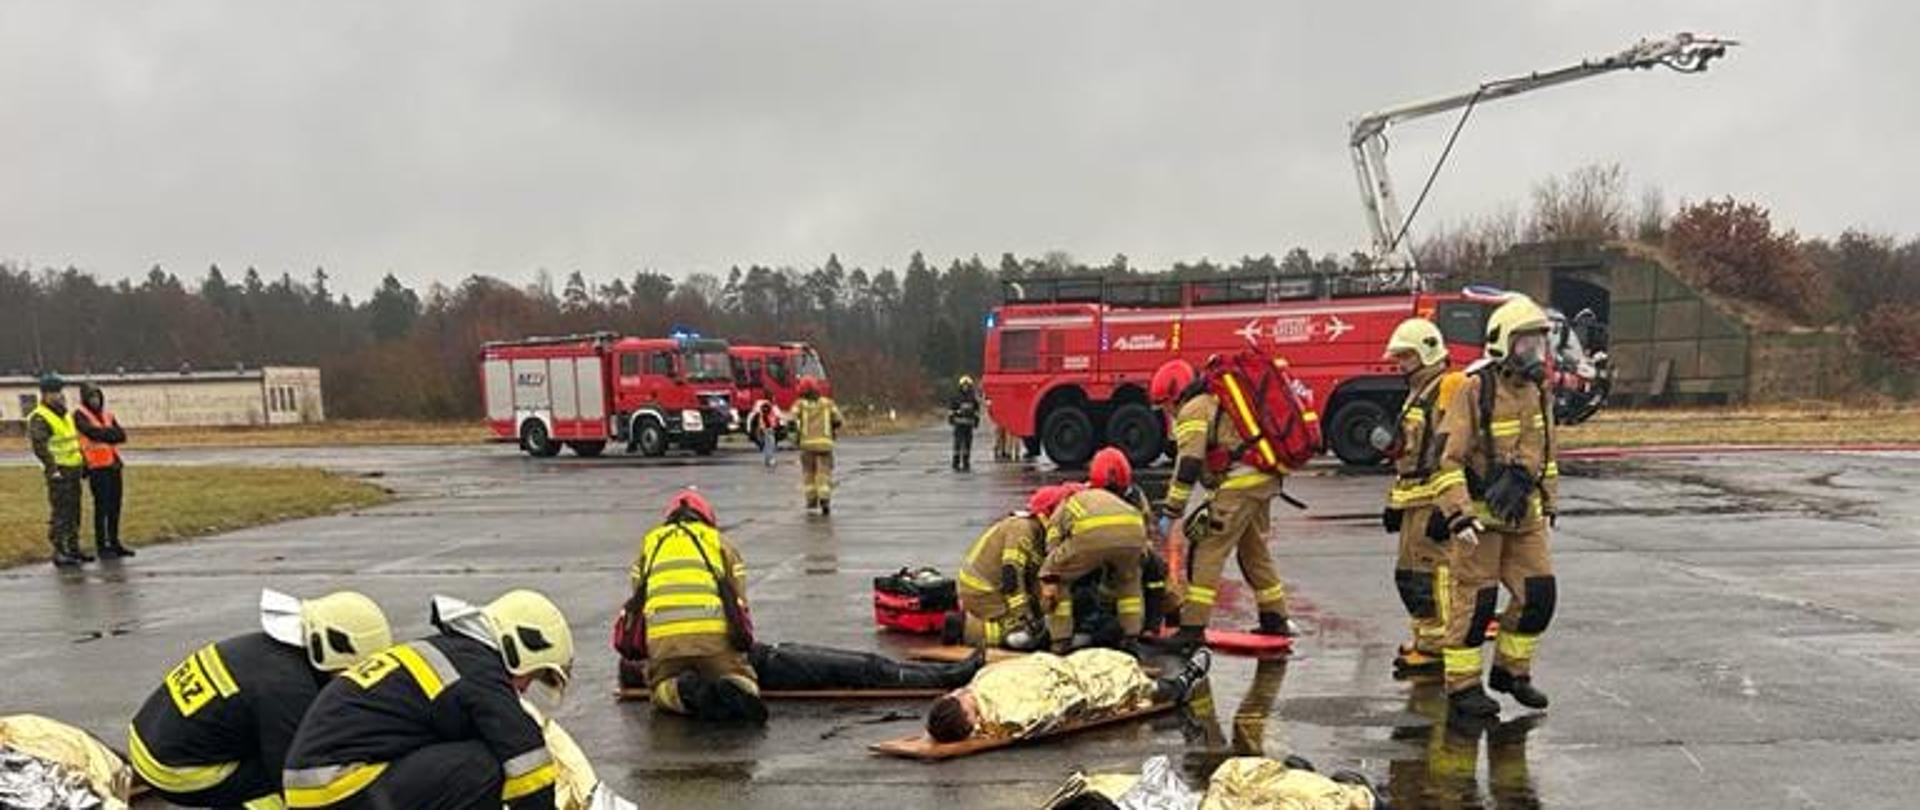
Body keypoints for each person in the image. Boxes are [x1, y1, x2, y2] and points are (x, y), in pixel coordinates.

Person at [618, 489, 981, 719]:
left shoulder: (648, 547)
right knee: (858, 668)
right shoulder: (715, 543)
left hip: (673, 663)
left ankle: (690, 694)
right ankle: (942, 678)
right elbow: (740, 612)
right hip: (739, 657)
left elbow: (638, 613)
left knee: (665, 691)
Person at [281, 589, 574, 810]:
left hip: (321, 789)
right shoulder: (478, 670)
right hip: (337, 788)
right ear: (519, 646)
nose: (524, 688)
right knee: (482, 763)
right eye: (533, 675)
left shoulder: (452, 654)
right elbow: (526, 760)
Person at [128, 589, 391, 809]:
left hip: (147, 734)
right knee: (288, 785)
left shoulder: (268, 649)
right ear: (335, 649)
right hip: (177, 773)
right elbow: (294, 775)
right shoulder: (287, 688)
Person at [1429, 296, 1560, 721]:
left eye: (1539, 345)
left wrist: (1550, 501)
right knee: (1476, 603)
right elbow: (1446, 459)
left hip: (1525, 515)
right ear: (1503, 344)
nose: (1535, 355)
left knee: (1539, 595)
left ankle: (1511, 672)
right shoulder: (1474, 389)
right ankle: (1463, 686)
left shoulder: (1539, 390)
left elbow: (1548, 451)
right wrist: (1458, 514)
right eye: (1526, 345)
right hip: (1479, 523)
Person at [1150, 358, 1293, 648]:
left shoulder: (1193, 410)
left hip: (1239, 482)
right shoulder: (1215, 401)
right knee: (1253, 550)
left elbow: (1188, 464)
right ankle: (1275, 617)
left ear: (1176, 396)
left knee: (1207, 549)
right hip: (1263, 477)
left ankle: (1192, 627)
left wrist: (1171, 511)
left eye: (1165, 405)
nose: (1167, 413)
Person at [1377, 318, 1462, 677]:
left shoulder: (1447, 390)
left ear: (1426, 353)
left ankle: (1439, 648)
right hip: (1414, 501)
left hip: (1433, 502)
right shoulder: (1419, 390)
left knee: (1434, 575)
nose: (1399, 364)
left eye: (1405, 357)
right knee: (1410, 575)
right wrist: (1394, 504)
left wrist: (1450, 509)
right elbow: (1409, 454)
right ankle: (1425, 640)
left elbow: (1454, 451)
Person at [923, 647, 1209, 743]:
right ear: (968, 715)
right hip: (1084, 686)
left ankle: (1173, 684)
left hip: (1067, 666)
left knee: (1112, 659)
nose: (958, 692)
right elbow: (1062, 708)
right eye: (957, 698)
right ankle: (1182, 685)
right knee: (1133, 683)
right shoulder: (1008, 718)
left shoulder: (979, 682)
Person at [1038, 449, 1150, 654]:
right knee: (1129, 583)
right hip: (1134, 538)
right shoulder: (1133, 497)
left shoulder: (1074, 498)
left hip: (1090, 537)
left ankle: (1060, 641)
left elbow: (1053, 538)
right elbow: (1144, 530)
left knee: (1056, 578)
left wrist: (1051, 571)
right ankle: (1131, 637)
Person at [954, 484, 1073, 650]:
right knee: (1020, 639)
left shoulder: (1040, 531)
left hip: (996, 588)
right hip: (984, 592)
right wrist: (1024, 617)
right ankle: (962, 628)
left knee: (1038, 624)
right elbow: (1011, 578)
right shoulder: (1022, 529)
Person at [26, 373, 87, 568]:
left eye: (60, 392)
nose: (59, 396)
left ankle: (73, 547)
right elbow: (40, 446)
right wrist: (52, 468)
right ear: (44, 395)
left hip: (73, 468)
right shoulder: (40, 417)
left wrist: (82, 462)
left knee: (74, 510)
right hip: (59, 471)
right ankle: (59, 550)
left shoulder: (64, 414)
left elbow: (73, 441)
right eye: (53, 393)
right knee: (61, 511)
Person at [73, 382, 133, 559]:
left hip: (113, 464)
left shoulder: (107, 414)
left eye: (98, 396)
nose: (96, 400)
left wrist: (105, 433)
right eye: (92, 397)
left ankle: (114, 541)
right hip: (96, 467)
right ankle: (103, 544)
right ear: (85, 398)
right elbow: (92, 433)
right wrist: (109, 434)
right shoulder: (80, 414)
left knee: (115, 505)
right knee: (102, 507)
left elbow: (121, 435)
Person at [790, 376, 842, 515]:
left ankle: (811, 500)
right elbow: (838, 419)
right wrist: (833, 430)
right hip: (825, 446)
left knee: (808, 474)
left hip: (806, 446)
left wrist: (794, 438)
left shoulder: (799, 405)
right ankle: (825, 499)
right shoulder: (828, 403)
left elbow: (791, 421)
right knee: (824, 474)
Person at [947, 375, 981, 471]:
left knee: (967, 444)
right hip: (959, 424)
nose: (965, 387)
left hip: (968, 425)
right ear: (960, 386)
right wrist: (952, 418)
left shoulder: (973, 398)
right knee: (957, 444)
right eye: (964, 385)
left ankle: (966, 462)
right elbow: (951, 410)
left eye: (967, 386)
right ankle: (956, 462)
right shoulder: (955, 397)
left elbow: (977, 412)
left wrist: (976, 422)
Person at [748, 399, 780, 469]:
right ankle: (770, 459)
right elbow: (770, 420)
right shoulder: (768, 409)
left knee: (768, 445)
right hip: (768, 429)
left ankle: (768, 459)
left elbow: (775, 419)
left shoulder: (767, 410)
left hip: (767, 429)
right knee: (770, 444)